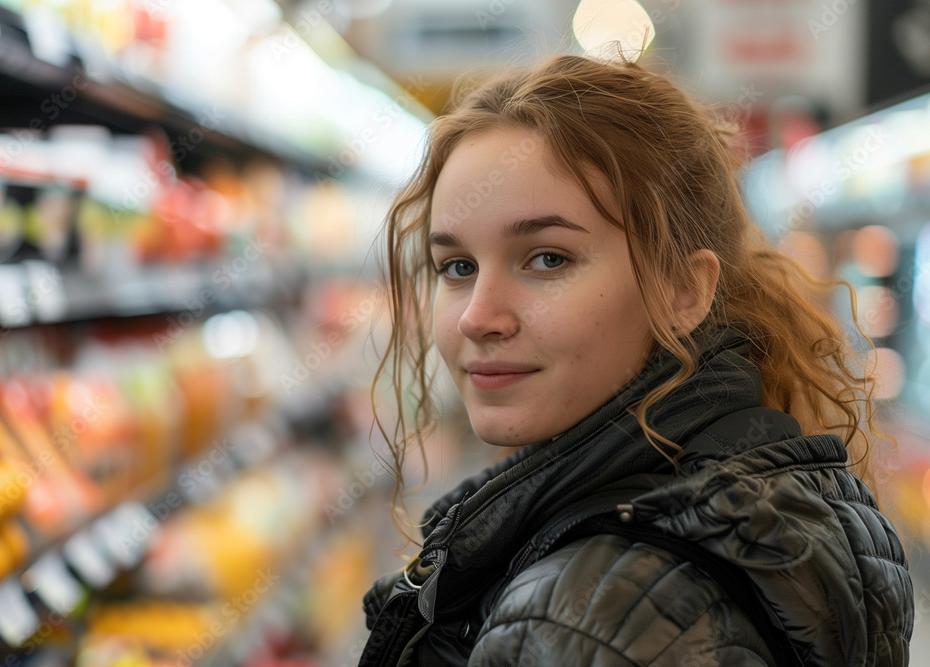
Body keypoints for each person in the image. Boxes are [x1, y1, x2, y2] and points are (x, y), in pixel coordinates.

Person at [359, 53, 914, 666]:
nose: (476, 316)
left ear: (683, 290)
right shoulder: (763, 493)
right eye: (457, 267)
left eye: (547, 258)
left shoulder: (586, 615)